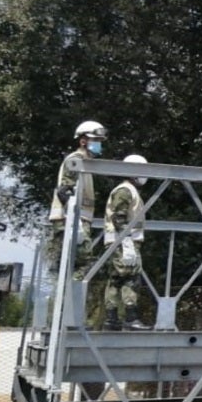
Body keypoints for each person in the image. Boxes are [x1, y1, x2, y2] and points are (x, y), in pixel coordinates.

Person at [45, 120, 107, 288]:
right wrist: (75, 221)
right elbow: (64, 191)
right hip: (68, 220)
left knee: (72, 265)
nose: (99, 144)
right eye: (97, 141)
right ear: (83, 141)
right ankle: (69, 305)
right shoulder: (75, 160)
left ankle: (67, 304)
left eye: (100, 141)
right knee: (83, 262)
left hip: (77, 220)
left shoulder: (85, 164)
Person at [103, 155, 151, 331]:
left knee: (115, 279)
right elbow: (119, 217)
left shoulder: (127, 190)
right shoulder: (125, 190)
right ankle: (130, 318)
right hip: (123, 242)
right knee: (130, 277)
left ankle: (112, 319)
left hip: (117, 241)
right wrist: (127, 242)